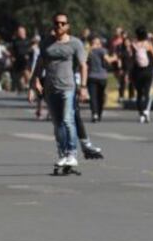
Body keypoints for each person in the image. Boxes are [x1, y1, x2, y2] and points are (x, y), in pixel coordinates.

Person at [36, 13, 88, 169]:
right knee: (57, 124)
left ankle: (72, 153)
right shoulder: (46, 43)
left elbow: (83, 65)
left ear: (67, 26)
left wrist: (83, 87)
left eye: (62, 23)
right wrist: (35, 81)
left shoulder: (75, 43)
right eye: (56, 23)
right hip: (50, 88)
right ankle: (63, 153)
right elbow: (40, 63)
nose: (59, 26)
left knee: (67, 120)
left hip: (68, 88)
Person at [131, 27, 153, 124]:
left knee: (138, 93)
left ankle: (141, 113)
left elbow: (132, 58)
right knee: (146, 92)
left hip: (138, 72)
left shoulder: (133, 45)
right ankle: (146, 111)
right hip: (148, 71)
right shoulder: (149, 45)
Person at [86, 36, 114, 123]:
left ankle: (94, 113)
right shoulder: (102, 50)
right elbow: (108, 60)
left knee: (93, 97)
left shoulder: (88, 52)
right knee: (100, 97)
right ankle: (99, 113)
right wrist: (115, 58)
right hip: (102, 77)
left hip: (91, 77)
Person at [10, 26, 33, 93]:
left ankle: (31, 86)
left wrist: (29, 54)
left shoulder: (29, 41)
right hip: (18, 60)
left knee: (26, 72)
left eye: (22, 31)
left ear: (25, 32)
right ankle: (24, 87)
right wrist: (12, 57)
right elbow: (12, 50)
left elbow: (33, 50)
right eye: (19, 32)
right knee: (19, 77)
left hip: (26, 60)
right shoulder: (15, 41)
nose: (21, 33)